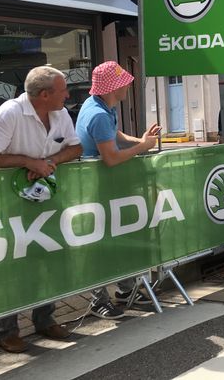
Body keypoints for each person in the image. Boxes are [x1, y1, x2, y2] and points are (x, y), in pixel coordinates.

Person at [0, 66, 83, 353]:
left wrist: (52, 161)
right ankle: (6, 330)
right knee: (12, 263)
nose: (68, 95)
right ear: (44, 95)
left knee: (49, 257)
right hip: (9, 202)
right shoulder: (10, 113)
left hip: (46, 199)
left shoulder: (60, 113)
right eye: (62, 90)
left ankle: (45, 319)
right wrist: (28, 162)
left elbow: (76, 148)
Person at [75, 61, 161, 319]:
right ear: (114, 87)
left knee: (116, 238)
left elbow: (115, 134)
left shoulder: (102, 106)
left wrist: (142, 141)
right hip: (98, 187)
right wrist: (143, 147)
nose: (128, 84)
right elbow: (111, 157)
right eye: (124, 81)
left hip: (107, 187)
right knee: (101, 245)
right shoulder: (99, 114)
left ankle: (125, 291)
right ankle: (98, 299)